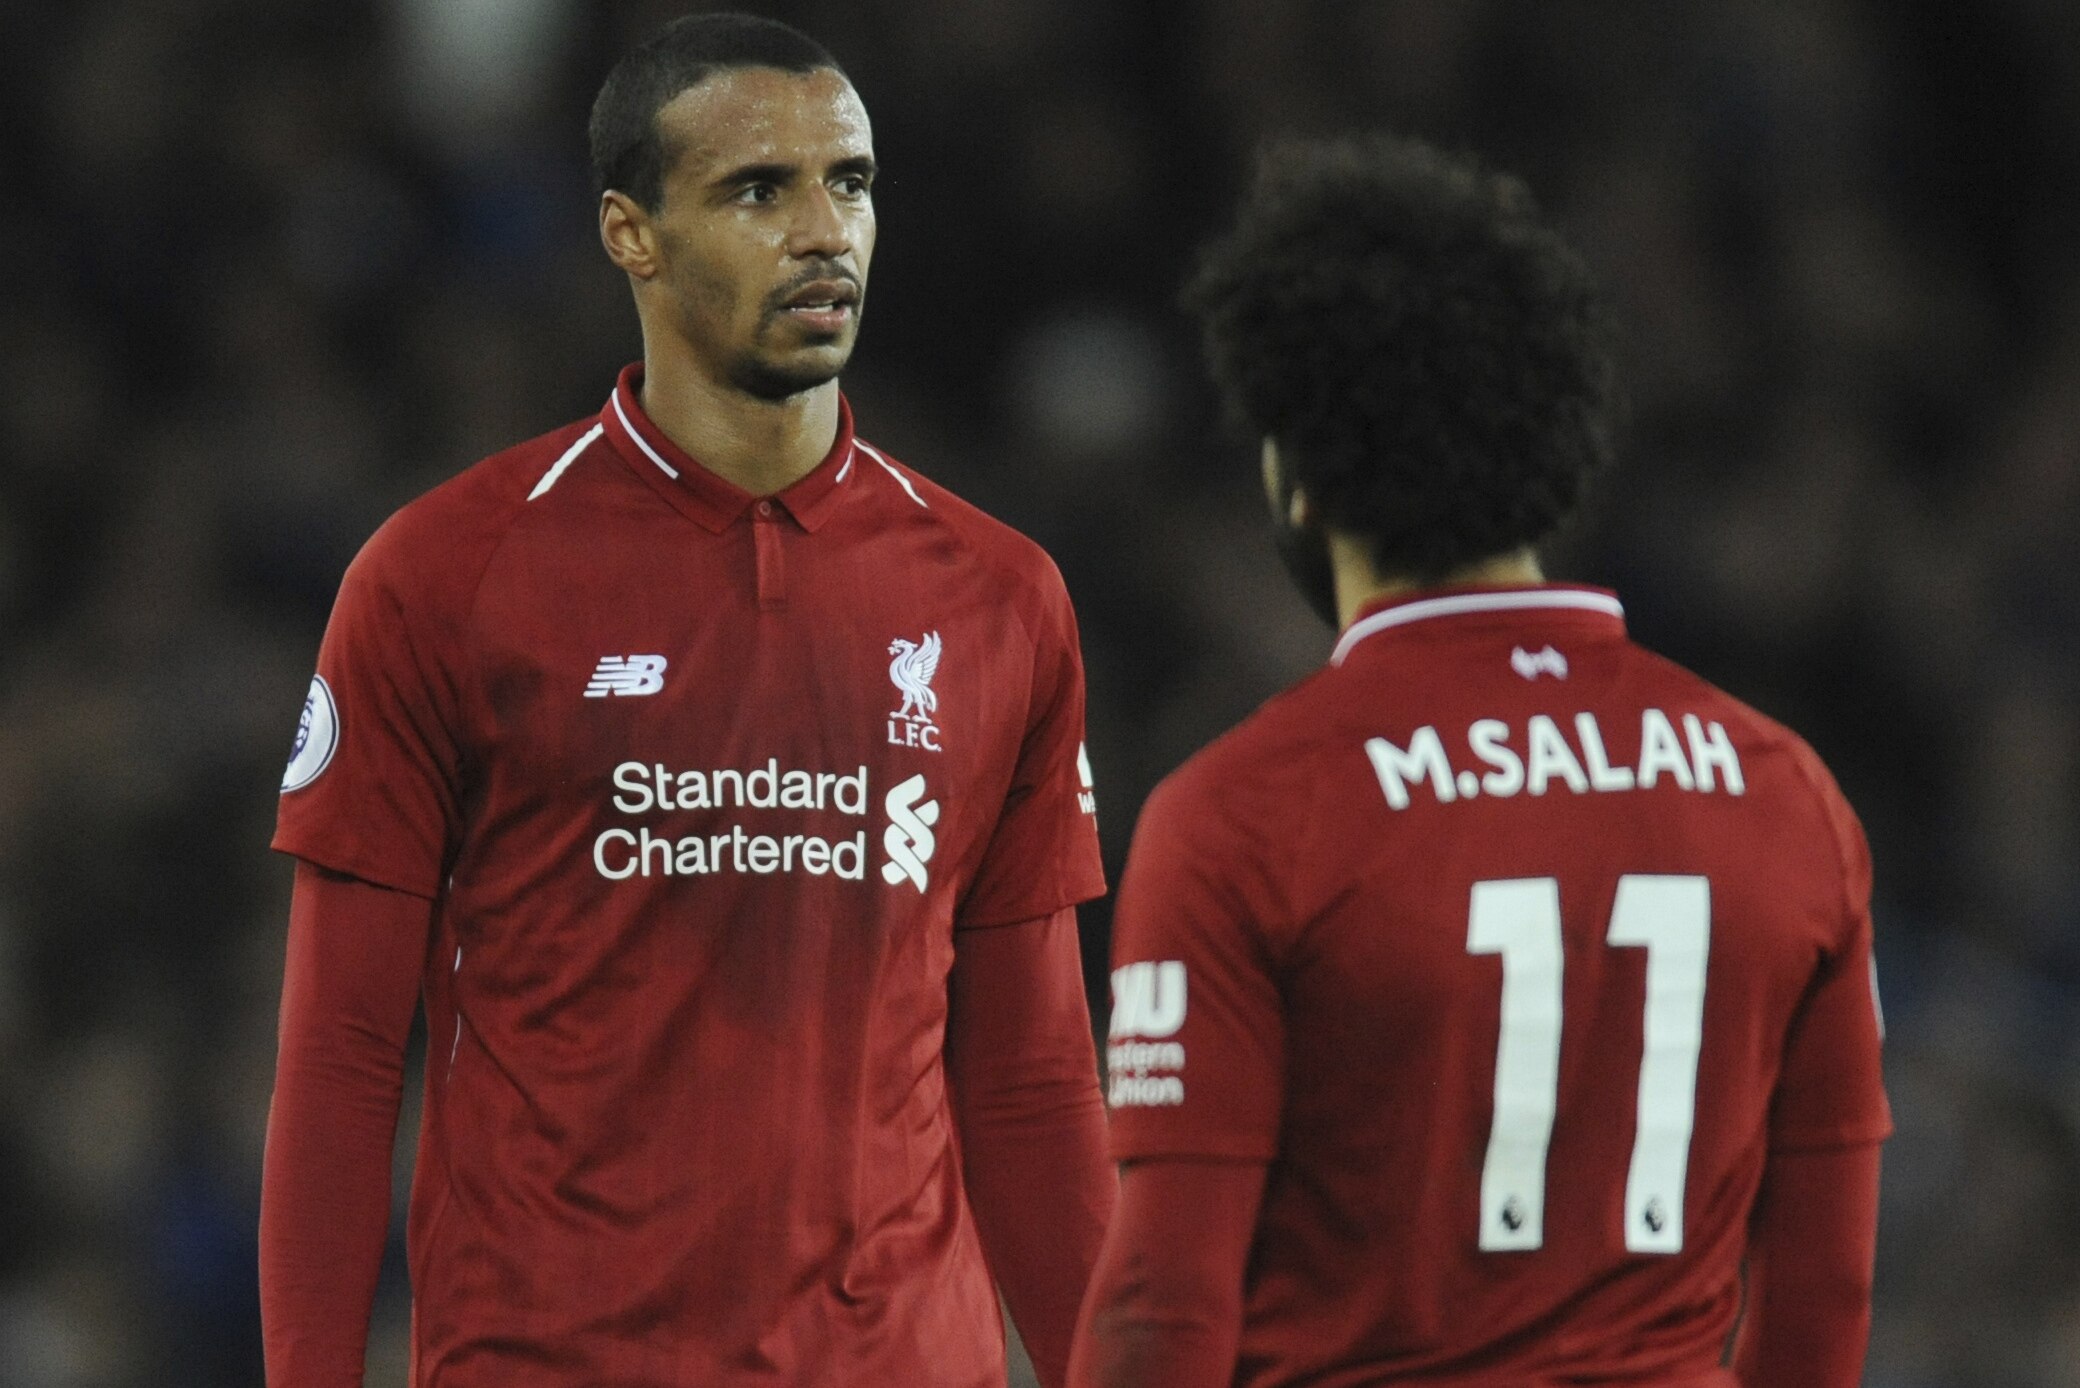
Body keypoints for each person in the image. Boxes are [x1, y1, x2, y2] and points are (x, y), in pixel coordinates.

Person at [260, 14, 1114, 1387]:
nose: (824, 231)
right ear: (631, 234)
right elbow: (345, 1054)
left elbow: (1030, 1078)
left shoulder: (1000, 597)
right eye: (759, 190)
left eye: (850, 182)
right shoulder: (443, 577)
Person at [1068, 136, 1890, 1388]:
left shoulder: (1245, 812)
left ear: (1299, 474)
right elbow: (1822, 1294)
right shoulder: (1783, 792)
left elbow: (1159, 1309)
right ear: (1549, 450)